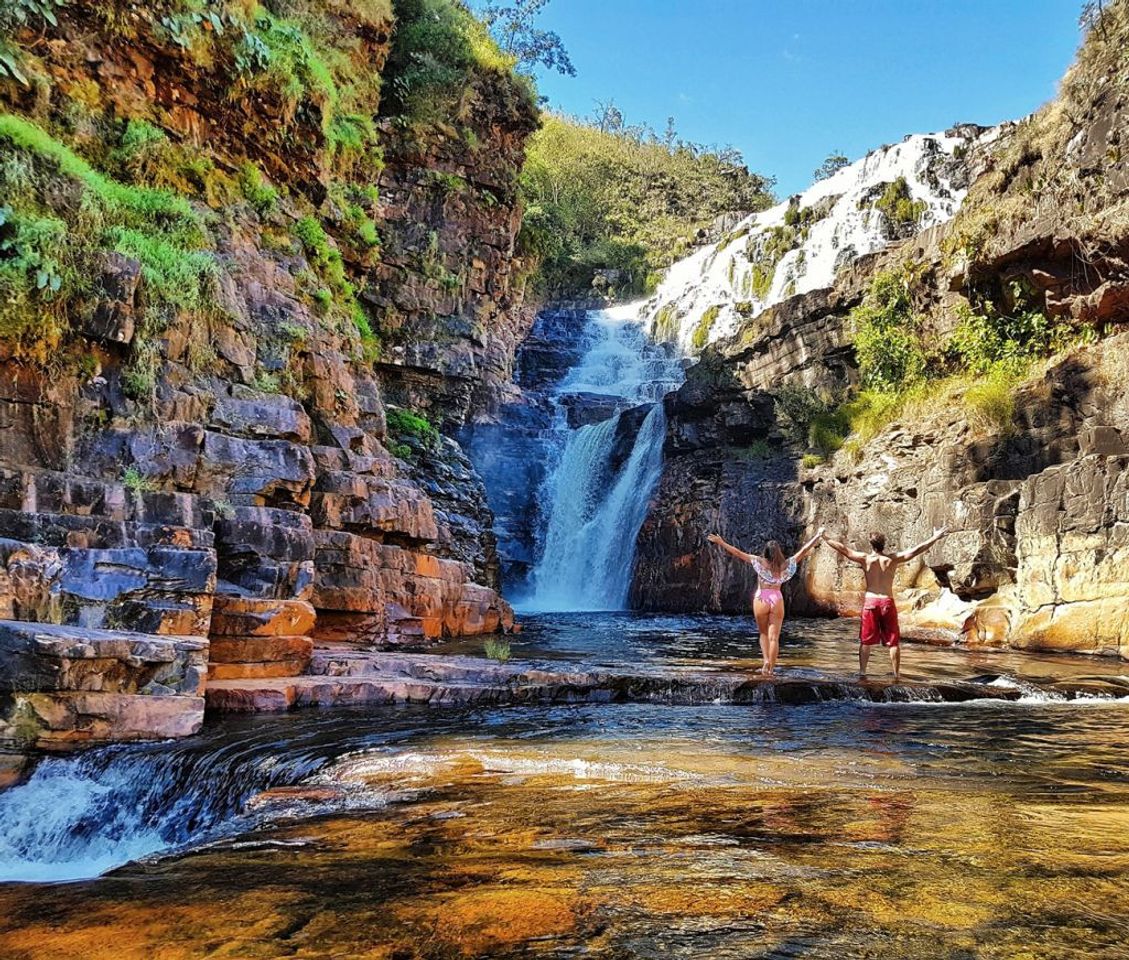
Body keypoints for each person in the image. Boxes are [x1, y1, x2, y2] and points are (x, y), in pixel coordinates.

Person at [822, 527, 949, 681]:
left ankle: (862, 672)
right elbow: (916, 550)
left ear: (871, 545)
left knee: (865, 641)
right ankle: (896, 674)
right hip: (887, 602)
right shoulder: (892, 559)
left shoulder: (865, 559)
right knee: (893, 642)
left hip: (871, 602)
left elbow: (844, 550)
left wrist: (825, 537)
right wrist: (934, 537)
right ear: (884, 545)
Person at [705, 527, 825, 677]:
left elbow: (737, 552)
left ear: (766, 553)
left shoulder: (759, 561)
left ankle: (766, 661)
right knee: (774, 637)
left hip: (761, 597)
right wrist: (818, 535)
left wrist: (721, 542)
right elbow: (805, 550)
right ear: (779, 552)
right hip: (777, 598)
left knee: (763, 633)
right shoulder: (786, 565)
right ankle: (771, 669)